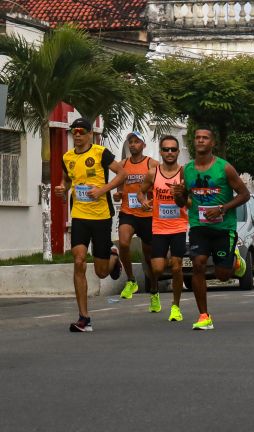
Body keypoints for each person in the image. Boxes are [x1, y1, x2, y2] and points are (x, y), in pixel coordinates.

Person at [170, 128, 250, 330]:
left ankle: (235, 261)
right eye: (197, 138)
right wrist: (178, 194)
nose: (200, 140)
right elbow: (182, 202)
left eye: (205, 138)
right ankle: (204, 315)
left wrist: (222, 208)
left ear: (212, 143)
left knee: (223, 275)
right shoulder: (187, 170)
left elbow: (244, 194)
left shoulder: (224, 168)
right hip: (199, 225)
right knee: (198, 263)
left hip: (224, 227)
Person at [54, 118, 126, 332]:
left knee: (102, 272)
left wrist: (104, 189)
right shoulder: (67, 157)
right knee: (78, 261)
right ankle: (84, 318)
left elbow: (123, 173)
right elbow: (66, 180)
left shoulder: (100, 153)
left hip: (101, 216)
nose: (77, 135)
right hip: (79, 215)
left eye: (81, 131)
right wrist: (61, 188)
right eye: (74, 132)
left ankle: (113, 258)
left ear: (89, 134)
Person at [138, 135, 187, 322]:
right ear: (161, 151)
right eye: (166, 149)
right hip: (158, 226)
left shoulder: (183, 173)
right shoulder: (153, 173)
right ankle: (154, 289)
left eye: (173, 149)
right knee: (157, 268)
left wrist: (181, 196)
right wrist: (143, 202)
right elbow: (141, 191)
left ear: (178, 152)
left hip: (178, 226)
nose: (169, 153)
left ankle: (175, 306)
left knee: (176, 267)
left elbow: (189, 201)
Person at [113, 131, 159, 308]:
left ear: (143, 145)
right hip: (128, 212)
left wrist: (151, 201)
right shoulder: (122, 164)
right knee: (124, 243)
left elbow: (162, 189)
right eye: (130, 142)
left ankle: (154, 290)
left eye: (136, 142)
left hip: (147, 215)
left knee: (149, 258)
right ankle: (131, 280)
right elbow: (119, 187)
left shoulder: (152, 164)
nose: (133, 145)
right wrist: (118, 194)